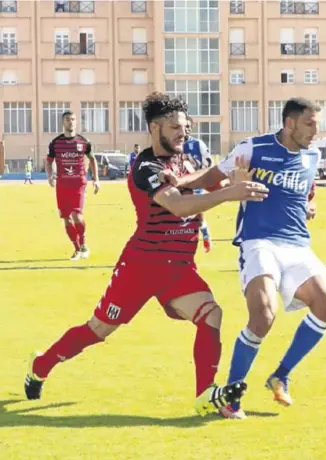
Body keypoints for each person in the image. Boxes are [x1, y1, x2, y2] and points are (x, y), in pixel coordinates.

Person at [24, 92, 269, 416]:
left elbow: (207, 189)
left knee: (211, 314)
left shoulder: (187, 159)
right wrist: (230, 192)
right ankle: (41, 365)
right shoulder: (146, 166)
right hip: (141, 267)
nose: (183, 133)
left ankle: (205, 396)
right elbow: (178, 205)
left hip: (179, 268)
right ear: (155, 128)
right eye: (175, 127)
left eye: (186, 126)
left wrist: (234, 183)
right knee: (97, 330)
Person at [172, 98, 326, 419]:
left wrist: (308, 206)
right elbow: (213, 177)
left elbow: (304, 192)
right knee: (263, 315)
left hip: (297, 245)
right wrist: (178, 184)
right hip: (258, 242)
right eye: (310, 124)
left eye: (317, 124)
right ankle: (231, 396)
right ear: (290, 124)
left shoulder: (312, 155)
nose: (316, 131)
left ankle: (281, 375)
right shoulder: (254, 148)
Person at [46, 111, 101, 260]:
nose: (71, 122)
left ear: (76, 122)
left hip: (78, 183)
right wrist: (50, 175)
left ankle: (84, 245)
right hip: (62, 185)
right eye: (68, 120)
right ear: (63, 122)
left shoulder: (83, 142)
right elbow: (49, 160)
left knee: (76, 215)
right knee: (66, 218)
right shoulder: (55, 143)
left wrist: (96, 179)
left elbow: (92, 159)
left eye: (73, 119)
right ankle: (77, 249)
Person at [183, 116, 214, 252]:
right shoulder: (172, 145)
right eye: (184, 126)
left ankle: (205, 237)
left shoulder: (198, 144)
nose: (186, 129)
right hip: (179, 187)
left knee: (197, 215)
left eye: (189, 126)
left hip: (197, 185)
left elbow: (208, 164)